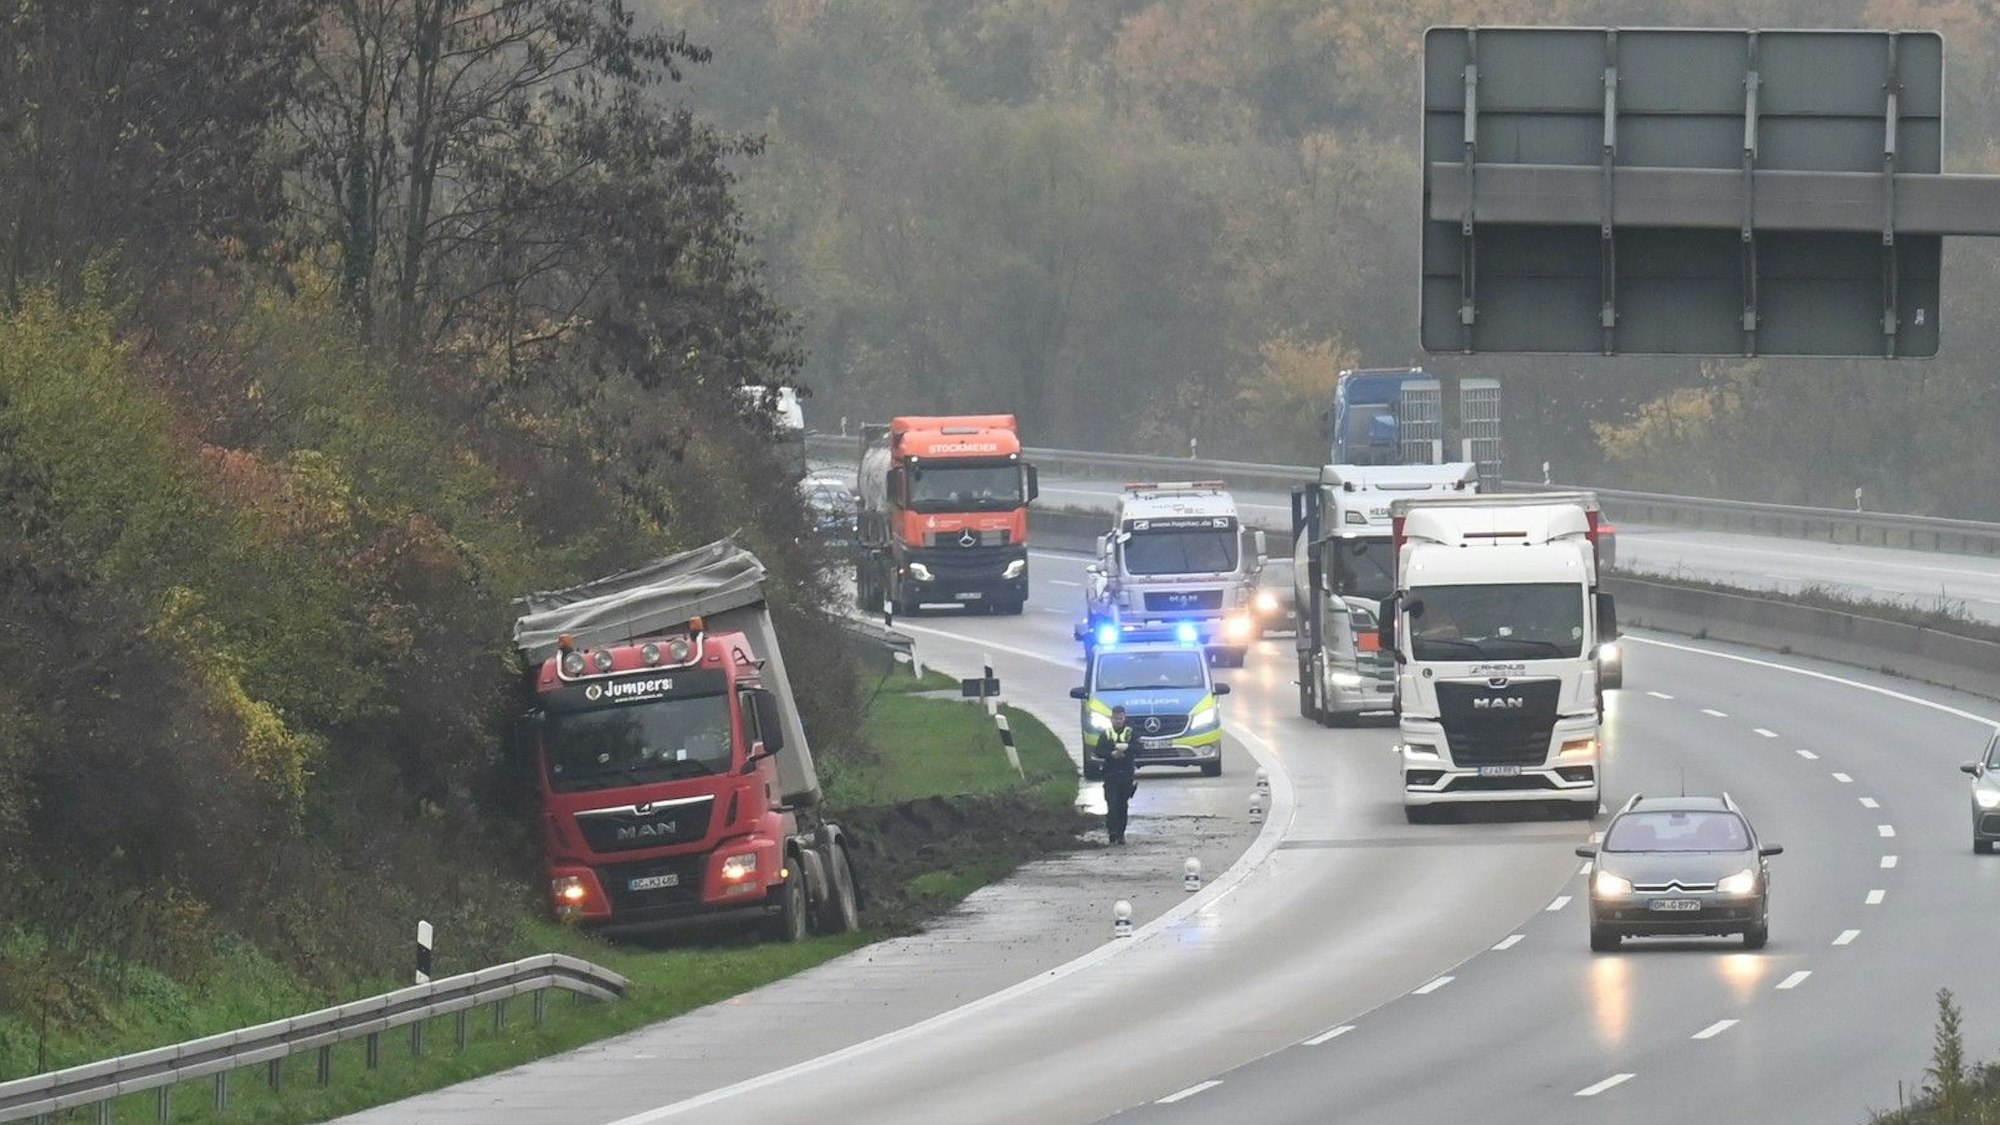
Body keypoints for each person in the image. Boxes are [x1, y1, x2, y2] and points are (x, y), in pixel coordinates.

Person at [1092, 705, 1139, 845]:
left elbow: (1139, 749)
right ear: (1111, 718)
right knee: (1111, 804)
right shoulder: (1106, 733)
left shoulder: (1130, 733)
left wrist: (1128, 748)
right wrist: (1111, 754)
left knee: (1122, 805)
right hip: (1110, 773)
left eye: (1121, 718)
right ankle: (1112, 833)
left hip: (1126, 773)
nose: (1118, 721)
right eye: (1116, 718)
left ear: (1124, 718)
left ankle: (1121, 834)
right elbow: (1098, 751)